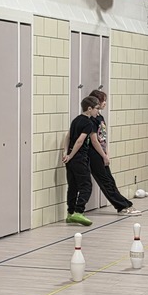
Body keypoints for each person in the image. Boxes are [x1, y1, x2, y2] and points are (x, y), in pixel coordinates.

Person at [61, 89, 140, 217]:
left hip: (101, 152)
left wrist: (106, 152)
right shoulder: (89, 120)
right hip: (93, 154)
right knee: (103, 181)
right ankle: (122, 206)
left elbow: (102, 138)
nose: (104, 104)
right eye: (102, 101)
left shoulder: (99, 117)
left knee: (109, 180)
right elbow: (91, 140)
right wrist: (102, 155)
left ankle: (124, 204)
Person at [62, 96, 99, 226]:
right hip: (79, 158)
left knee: (73, 186)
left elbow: (68, 136)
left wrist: (66, 153)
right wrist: (71, 155)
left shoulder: (75, 120)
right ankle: (79, 211)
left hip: (70, 159)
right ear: (89, 109)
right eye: (96, 109)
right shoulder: (89, 123)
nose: (97, 112)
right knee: (86, 185)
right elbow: (79, 141)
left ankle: (70, 213)